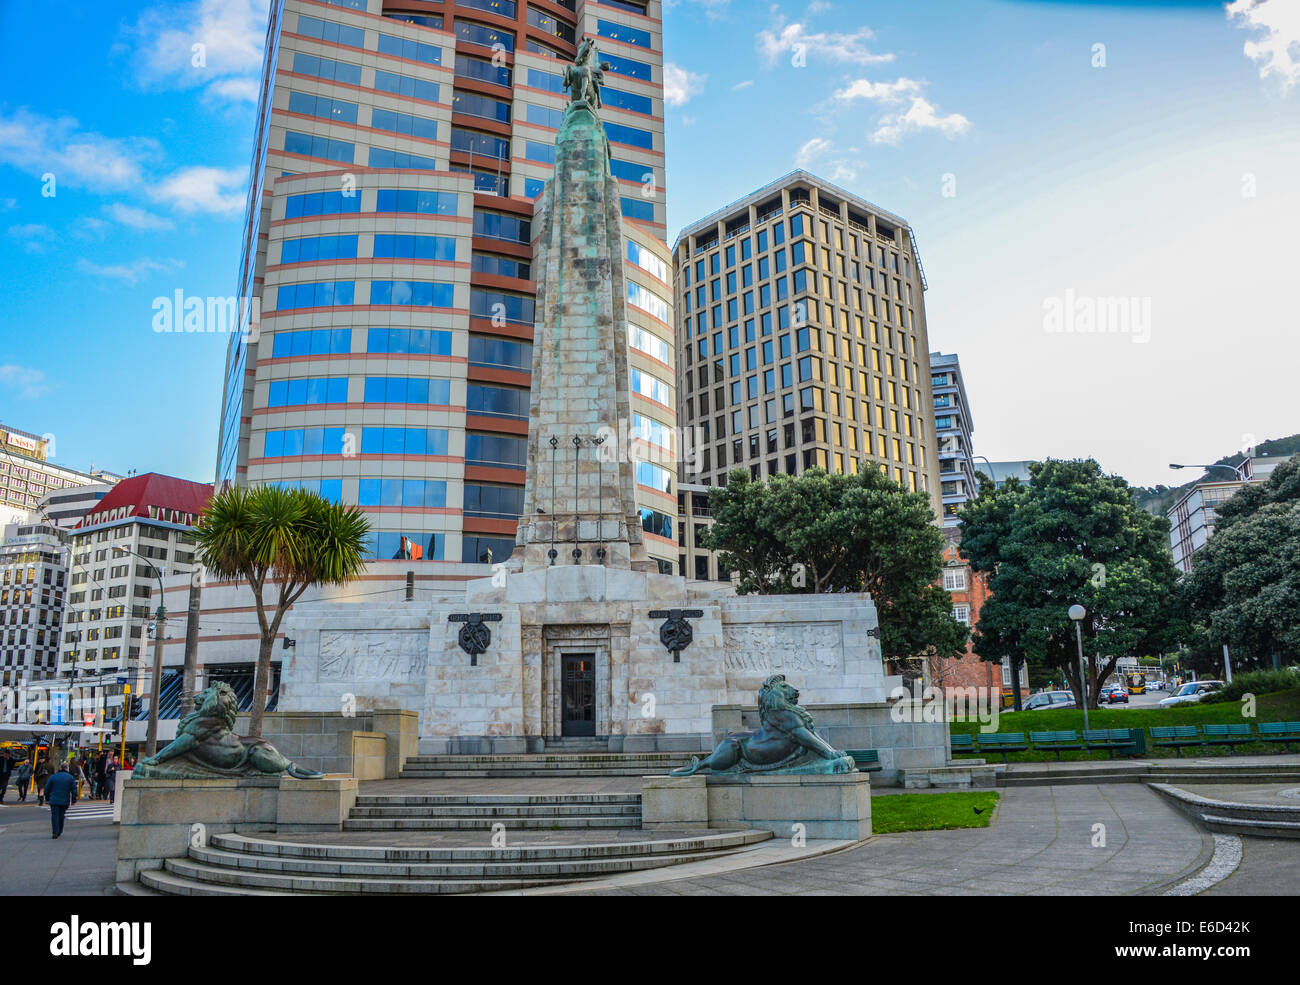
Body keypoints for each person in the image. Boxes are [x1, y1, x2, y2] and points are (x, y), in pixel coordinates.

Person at [43, 763, 78, 839]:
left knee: (54, 816)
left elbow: (47, 788)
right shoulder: (70, 778)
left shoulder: (53, 777)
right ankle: (60, 830)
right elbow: (74, 790)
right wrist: (74, 800)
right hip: (64, 800)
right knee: (61, 815)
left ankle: (55, 832)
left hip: (54, 799)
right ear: (66, 768)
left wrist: (47, 798)